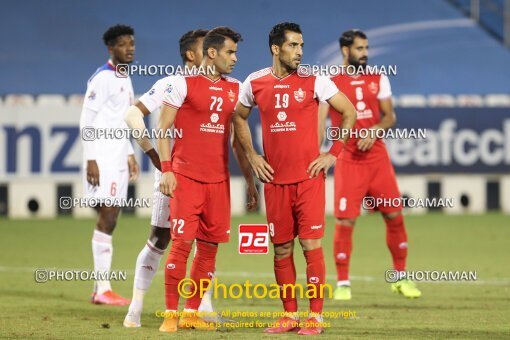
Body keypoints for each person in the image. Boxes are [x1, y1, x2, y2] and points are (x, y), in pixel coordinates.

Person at [233, 22, 356, 335]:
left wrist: (334, 152)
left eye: (301, 46)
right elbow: (238, 117)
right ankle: (289, 316)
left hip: (308, 179)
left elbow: (349, 111)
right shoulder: (254, 81)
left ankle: (314, 317)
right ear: (276, 49)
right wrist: (253, 155)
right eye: (293, 46)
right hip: (274, 182)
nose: (300, 51)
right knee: (282, 249)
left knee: (311, 245)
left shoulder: (316, 80)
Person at [123, 29, 227, 328]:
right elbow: (132, 115)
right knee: (164, 240)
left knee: (199, 242)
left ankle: (199, 308)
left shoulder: (220, 84)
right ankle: (136, 308)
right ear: (192, 54)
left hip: (203, 176)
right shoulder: (172, 83)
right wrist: (155, 156)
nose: (213, 51)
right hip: (176, 175)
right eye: (205, 47)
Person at [157, 26, 257, 333]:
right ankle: (170, 315)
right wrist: (167, 170)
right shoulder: (181, 85)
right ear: (211, 53)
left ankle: (191, 313)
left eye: (235, 52)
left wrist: (251, 180)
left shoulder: (237, 88)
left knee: (210, 250)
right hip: (186, 178)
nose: (235, 58)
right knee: (181, 245)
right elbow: (163, 129)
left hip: (219, 182)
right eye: (230, 52)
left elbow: (239, 138)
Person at [328, 29, 421, 300]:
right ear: (345, 51)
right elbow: (319, 120)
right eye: (359, 48)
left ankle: (400, 277)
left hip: (377, 159)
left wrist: (375, 129)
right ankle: (343, 284)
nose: (365, 53)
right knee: (345, 221)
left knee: (394, 215)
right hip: (348, 160)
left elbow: (389, 116)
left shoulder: (378, 77)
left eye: (366, 48)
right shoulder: (330, 82)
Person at [79, 24, 139, 306]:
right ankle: (102, 289)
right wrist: (91, 159)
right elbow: (86, 121)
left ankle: (100, 288)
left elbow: (122, 118)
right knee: (109, 214)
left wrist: (128, 152)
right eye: (124, 44)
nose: (130, 48)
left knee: (111, 216)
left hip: (118, 157)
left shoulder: (125, 78)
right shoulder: (102, 78)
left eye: (132, 43)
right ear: (111, 48)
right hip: (102, 158)